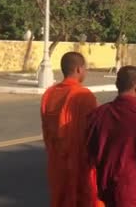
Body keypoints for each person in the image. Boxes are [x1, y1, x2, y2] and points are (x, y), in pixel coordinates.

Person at [87, 66, 136, 207]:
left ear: (117, 85)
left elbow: (91, 150)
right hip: (132, 191)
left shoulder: (100, 113)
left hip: (106, 188)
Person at [41, 52, 102, 207]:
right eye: (85, 68)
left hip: (56, 165)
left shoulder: (48, 94)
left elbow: (47, 132)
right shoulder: (83, 95)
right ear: (78, 69)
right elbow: (94, 132)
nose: (86, 72)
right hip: (79, 165)